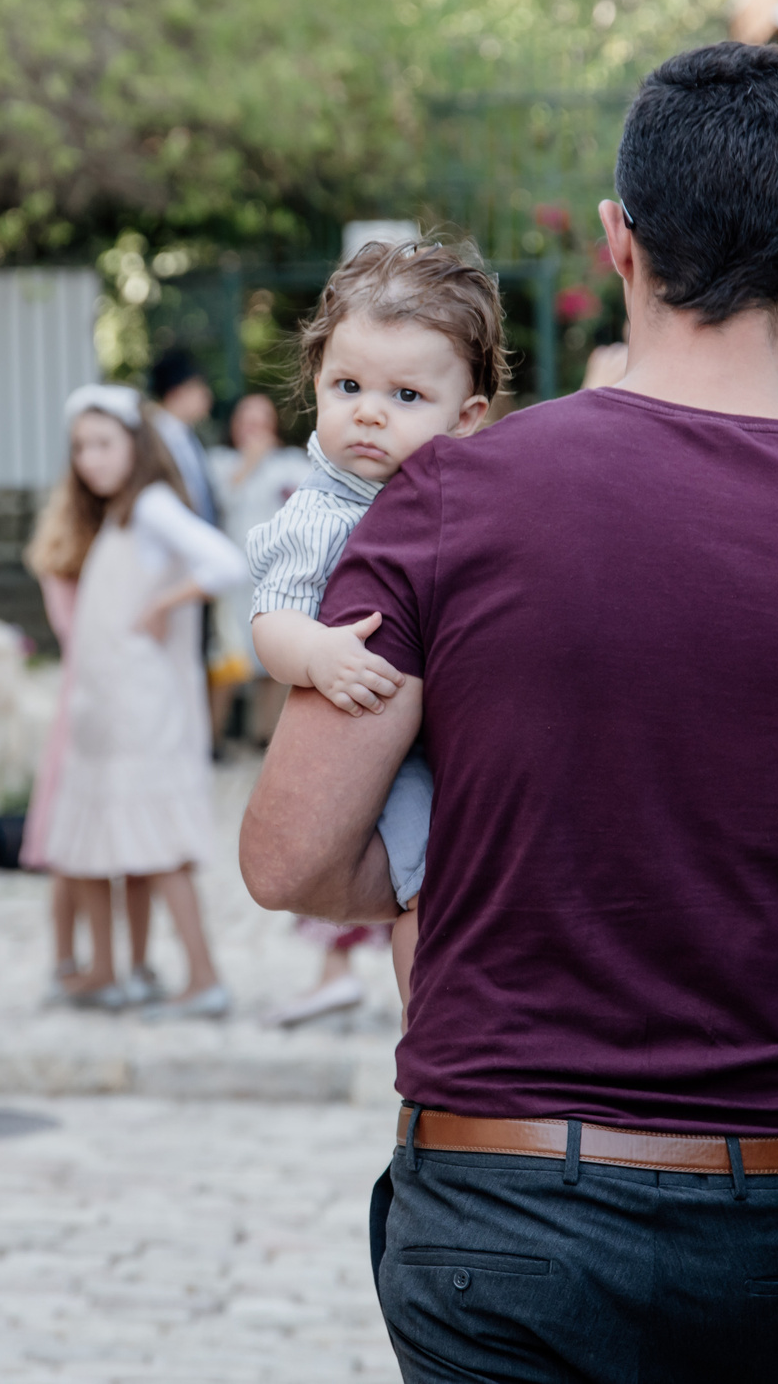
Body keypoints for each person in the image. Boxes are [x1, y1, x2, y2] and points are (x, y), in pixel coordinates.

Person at [240, 42, 778, 1384]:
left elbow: (290, 857)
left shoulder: (443, 503)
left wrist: (464, 871)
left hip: (504, 1199)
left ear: (618, 242)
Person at [243, 239, 507, 1017]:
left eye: (406, 396)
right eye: (348, 386)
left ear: (466, 417)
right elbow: (269, 620)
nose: (367, 412)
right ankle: (431, 1024)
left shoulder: (454, 504)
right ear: (316, 385)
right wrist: (316, 653)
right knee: (430, 882)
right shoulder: (322, 512)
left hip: (451, 731)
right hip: (382, 751)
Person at [25, 384, 249, 1018]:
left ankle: (203, 977)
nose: (90, 458)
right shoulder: (118, 514)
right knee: (100, 841)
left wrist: (164, 603)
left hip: (140, 712)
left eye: (104, 443)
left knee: (157, 844)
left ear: (134, 444)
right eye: (80, 447)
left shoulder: (152, 505)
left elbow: (226, 562)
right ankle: (107, 970)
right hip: (105, 712)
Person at [205, 392, 312, 729]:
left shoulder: (292, 462)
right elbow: (218, 502)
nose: (254, 429)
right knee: (227, 660)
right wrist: (250, 461)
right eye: (247, 421)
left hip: (278, 578)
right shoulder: (219, 461)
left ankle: (264, 736)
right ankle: (215, 740)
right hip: (232, 581)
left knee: (274, 662)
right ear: (234, 426)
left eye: (261, 421)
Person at [149, 349, 219, 527]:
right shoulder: (152, 439)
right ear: (177, 392)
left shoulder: (189, 436)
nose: (207, 396)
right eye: (200, 388)